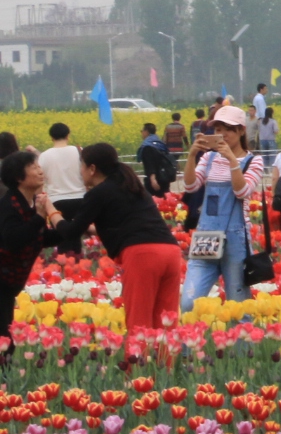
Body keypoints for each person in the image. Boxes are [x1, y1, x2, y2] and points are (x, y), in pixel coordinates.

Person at [48, 143, 184, 329]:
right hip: (170, 251)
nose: (80, 171)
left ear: (92, 168)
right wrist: (94, 230)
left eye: (82, 166)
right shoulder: (130, 184)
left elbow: (70, 232)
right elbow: (130, 222)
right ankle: (167, 358)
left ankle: (138, 358)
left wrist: (50, 209)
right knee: (166, 321)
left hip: (142, 255)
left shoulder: (99, 193)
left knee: (139, 321)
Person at [181, 105, 267, 309]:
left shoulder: (253, 161)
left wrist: (231, 159)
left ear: (241, 130)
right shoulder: (209, 158)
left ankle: (243, 341)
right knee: (188, 303)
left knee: (238, 305)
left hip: (236, 238)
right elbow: (190, 185)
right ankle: (189, 339)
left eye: (228, 129)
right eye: (218, 129)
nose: (222, 134)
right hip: (206, 236)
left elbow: (242, 192)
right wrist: (192, 155)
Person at [0, 150, 59, 347]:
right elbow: (14, 240)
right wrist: (40, 217)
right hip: (3, 280)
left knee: (6, 336)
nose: (40, 171)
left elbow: (39, 237)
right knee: (4, 340)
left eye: (38, 166)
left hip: (9, 282)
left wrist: (75, 228)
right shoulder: (8, 206)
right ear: (18, 177)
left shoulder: (29, 203)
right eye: (33, 167)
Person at [40, 124, 87, 257]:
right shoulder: (78, 151)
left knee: (61, 234)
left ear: (51, 137)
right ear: (68, 135)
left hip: (56, 200)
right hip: (79, 198)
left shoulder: (44, 156)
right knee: (76, 234)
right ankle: (77, 262)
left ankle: (64, 264)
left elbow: (41, 178)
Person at [136, 122, 177, 198]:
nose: (141, 133)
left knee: (154, 202)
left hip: (155, 181)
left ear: (146, 131)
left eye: (142, 131)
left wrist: (153, 179)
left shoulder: (147, 146)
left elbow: (150, 164)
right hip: (165, 178)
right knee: (166, 202)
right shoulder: (161, 144)